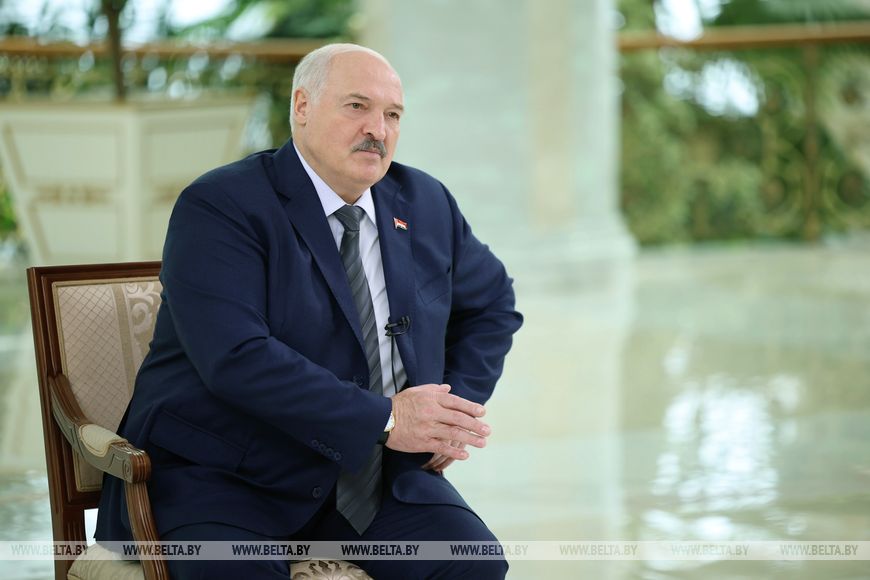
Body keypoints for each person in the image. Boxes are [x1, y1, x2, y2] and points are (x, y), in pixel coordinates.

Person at [95, 43, 522, 579]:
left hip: (370, 478)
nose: (378, 129)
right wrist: (389, 418)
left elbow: (493, 304)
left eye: (393, 115)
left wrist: (444, 415)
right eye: (357, 106)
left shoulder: (424, 202)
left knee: (472, 563)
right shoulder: (221, 205)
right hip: (226, 475)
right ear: (302, 106)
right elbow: (236, 356)